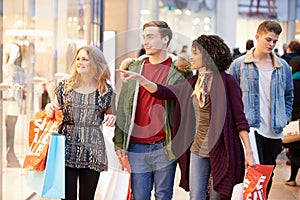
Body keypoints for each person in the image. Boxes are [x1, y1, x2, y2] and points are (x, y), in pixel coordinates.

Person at [117, 34, 256, 199]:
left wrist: (249, 152)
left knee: (216, 197)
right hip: (197, 150)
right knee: (196, 196)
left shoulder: (228, 82)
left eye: (196, 53)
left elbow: (240, 121)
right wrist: (140, 79)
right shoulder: (193, 82)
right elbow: (165, 92)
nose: (191, 57)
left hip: (222, 150)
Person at [113, 20, 192, 200]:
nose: (145, 42)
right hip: (137, 145)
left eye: (150, 37)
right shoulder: (134, 67)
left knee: (163, 195)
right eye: (144, 38)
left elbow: (183, 102)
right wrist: (119, 141)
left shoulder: (179, 69)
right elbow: (124, 106)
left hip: (165, 144)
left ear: (165, 40)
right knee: (140, 196)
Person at [229, 20, 294, 197]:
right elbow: (230, 96)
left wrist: (285, 116)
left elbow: (289, 95)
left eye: (275, 41)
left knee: (268, 174)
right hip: (250, 128)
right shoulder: (239, 65)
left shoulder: (283, 67)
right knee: (253, 171)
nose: (271, 44)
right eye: (268, 39)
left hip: (274, 130)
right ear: (257, 37)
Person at [45, 45, 116, 200]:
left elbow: (112, 115)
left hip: (93, 148)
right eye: (78, 59)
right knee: (67, 196)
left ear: (95, 63)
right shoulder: (65, 87)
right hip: (66, 147)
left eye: (85, 59)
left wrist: (112, 118)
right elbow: (54, 109)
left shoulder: (105, 90)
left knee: (87, 197)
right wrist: (48, 107)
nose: (80, 62)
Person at [2, 40, 26, 167]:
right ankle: (10, 154)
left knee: (11, 125)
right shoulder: (13, 68)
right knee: (10, 125)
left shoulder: (13, 68)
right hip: (12, 98)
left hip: (13, 98)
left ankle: (11, 153)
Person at [284, 56, 300, 187]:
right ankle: (292, 178)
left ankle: (292, 178)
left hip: (294, 123)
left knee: (295, 151)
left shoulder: (292, 83)